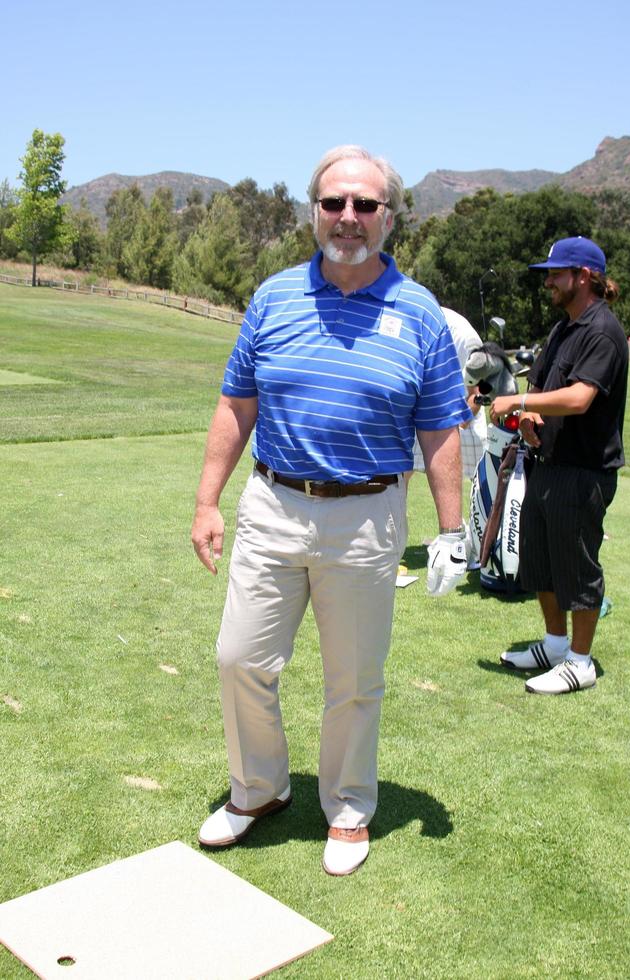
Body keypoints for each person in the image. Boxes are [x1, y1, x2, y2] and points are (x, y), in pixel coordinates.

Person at [191, 145, 472, 875]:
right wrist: (206, 500)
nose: (349, 217)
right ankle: (260, 789)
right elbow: (237, 402)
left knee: (355, 677)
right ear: (315, 211)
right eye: (335, 203)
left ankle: (348, 808)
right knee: (239, 658)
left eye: (365, 205)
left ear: (387, 217)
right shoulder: (274, 296)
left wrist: (452, 531)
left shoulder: (419, 315)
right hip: (273, 502)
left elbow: (440, 427)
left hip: (368, 515)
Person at [489, 236, 628, 695]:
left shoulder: (603, 331)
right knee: (540, 562)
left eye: (555, 273)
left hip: (584, 471)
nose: (547, 281)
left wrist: (520, 398)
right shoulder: (563, 328)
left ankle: (581, 662)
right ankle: (554, 644)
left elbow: (579, 397)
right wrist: (529, 419)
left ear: (583, 276)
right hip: (547, 462)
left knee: (577, 568)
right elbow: (550, 393)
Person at [412, 307, 488, 480]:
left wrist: (453, 431)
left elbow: (476, 397)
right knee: (403, 470)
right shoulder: (420, 326)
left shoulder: (467, 340)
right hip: (428, 410)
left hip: (465, 419)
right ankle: (398, 507)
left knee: (477, 479)